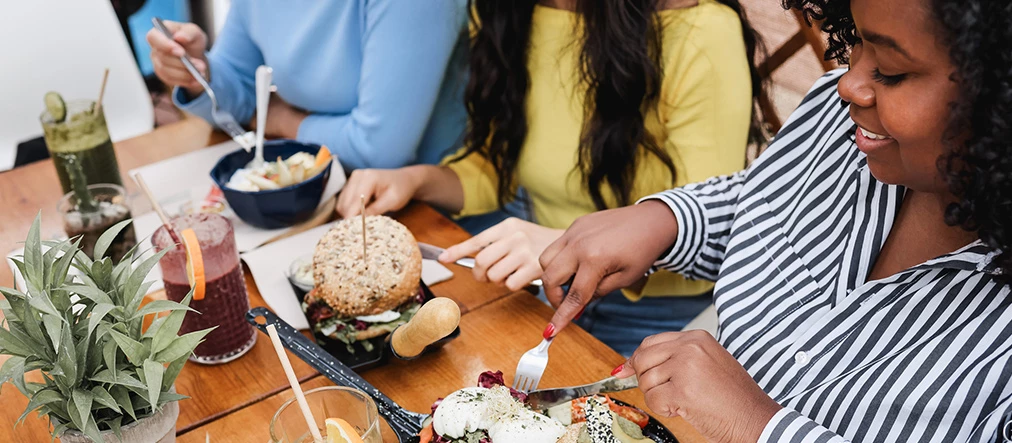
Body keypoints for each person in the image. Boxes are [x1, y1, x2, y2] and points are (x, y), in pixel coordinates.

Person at [538, 0, 1012, 440]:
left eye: (891, 70)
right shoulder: (842, 122)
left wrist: (759, 425)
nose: (849, 83)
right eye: (857, 41)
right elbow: (772, 201)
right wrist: (668, 220)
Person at [336, 0, 763, 356]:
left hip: (657, 315)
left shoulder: (702, 31)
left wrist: (563, 246)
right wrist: (416, 180)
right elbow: (494, 166)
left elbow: (712, 231)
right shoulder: (508, 12)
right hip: (549, 290)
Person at [146, 0, 468, 170]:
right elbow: (238, 100)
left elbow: (377, 151)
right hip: (328, 188)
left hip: (441, 219)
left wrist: (280, 119)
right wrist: (198, 75)